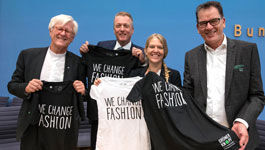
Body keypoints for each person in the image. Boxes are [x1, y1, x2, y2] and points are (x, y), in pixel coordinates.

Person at [183, 1, 265, 150]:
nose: (209, 27)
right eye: (203, 23)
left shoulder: (247, 51)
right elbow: (188, 98)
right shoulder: (191, 56)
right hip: (203, 140)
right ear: (197, 28)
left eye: (214, 21)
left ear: (224, 22)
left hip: (239, 138)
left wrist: (242, 122)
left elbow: (257, 96)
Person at [7, 14, 86, 150]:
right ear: (51, 31)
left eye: (68, 31)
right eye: (59, 29)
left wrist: (83, 91)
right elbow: (12, 86)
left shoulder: (78, 63)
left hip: (63, 129)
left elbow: (84, 96)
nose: (63, 33)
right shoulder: (28, 56)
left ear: (72, 38)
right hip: (33, 126)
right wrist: (26, 87)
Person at [80, 11, 145, 64]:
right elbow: (91, 66)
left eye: (126, 26)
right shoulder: (102, 46)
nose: (122, 29)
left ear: (132, 30)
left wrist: (142, 61)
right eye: (118, 26)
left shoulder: (141, 53)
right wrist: (85, 54)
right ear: (114, 30)